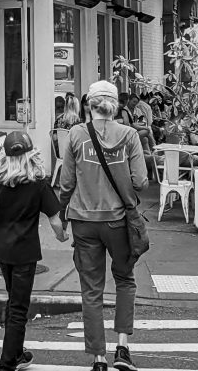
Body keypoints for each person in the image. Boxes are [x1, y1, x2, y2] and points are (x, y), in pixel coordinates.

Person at [59, 80, 148, 371]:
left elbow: (67, 183)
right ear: (116, 106)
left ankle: (98, 358)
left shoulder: (75, 135)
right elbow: (141, 182)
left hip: (83, 221)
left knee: (91, 290)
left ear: (89, 105)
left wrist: (60, 216)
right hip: (118, 221)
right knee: (125, 280)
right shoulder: (130, 136)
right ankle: (122, 347)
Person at [0, 131, 67, 371]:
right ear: (31, 154)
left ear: (6, 155)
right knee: (19, 308)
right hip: (26, 252)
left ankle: (17, 353)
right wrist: (62, 236)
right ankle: (7, 363)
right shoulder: (39, 183)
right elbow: (54, 219)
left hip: (3, 250)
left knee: (14, 301)